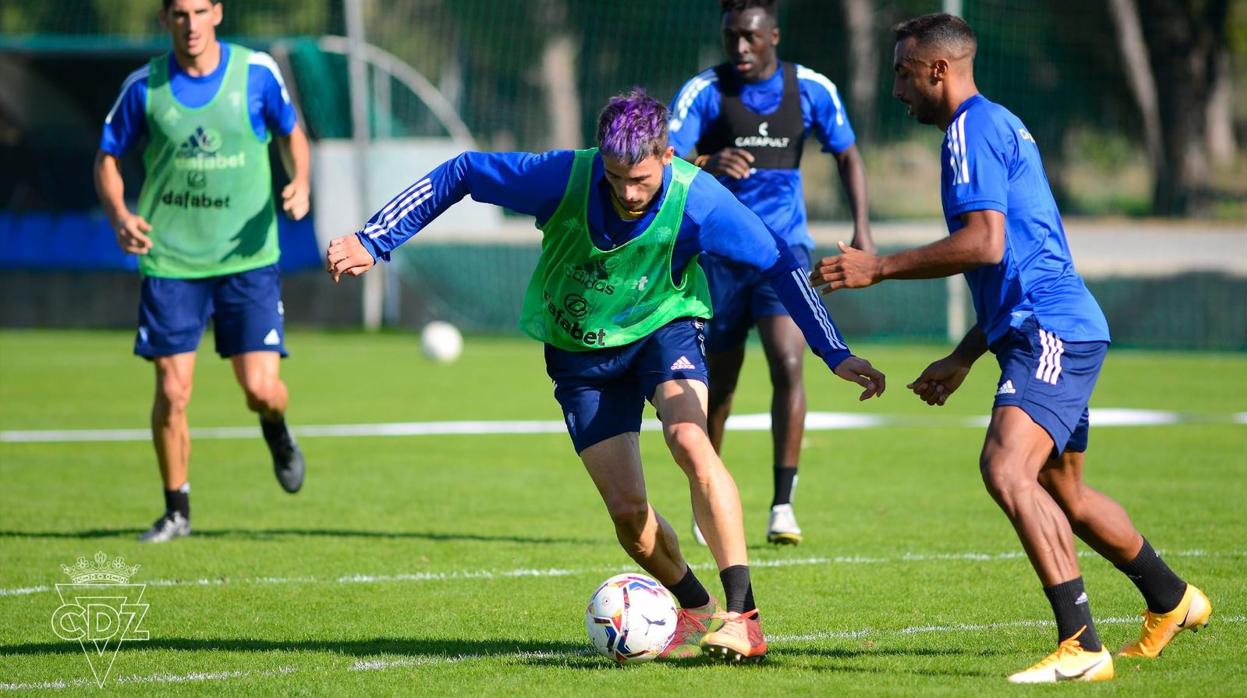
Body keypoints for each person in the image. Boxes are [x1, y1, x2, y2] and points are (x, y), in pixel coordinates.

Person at [326, 89, 885, 663]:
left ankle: (742, 615)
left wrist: (833, 351)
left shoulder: (702, 201)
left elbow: (779, 262)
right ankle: (694, 611)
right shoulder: (564, 176)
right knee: (629, 517)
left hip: (664, 328)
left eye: (641, 178)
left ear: (669, 155)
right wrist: (375, 238)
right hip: (580, 355)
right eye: (616, 177)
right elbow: (463, 171)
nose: (628, 192)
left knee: (690, 439)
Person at [810, 13, 1211, 683]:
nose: (897, 88)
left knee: (1006, 469)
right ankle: (1173, 599)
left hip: (1047, 329)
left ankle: (1081, 644)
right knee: (1065, 490)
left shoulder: (970, 130)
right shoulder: (994, 124)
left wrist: (877, 268)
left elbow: (986, 243)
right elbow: (1015, 252)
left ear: (939, 70)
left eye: (904, 73)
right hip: (1046, 325)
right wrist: (967, 354)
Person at [93, 0, 311, 543]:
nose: (190, 24)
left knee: (261, 389)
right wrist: (121, 216)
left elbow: (292, 133)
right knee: (172, 389)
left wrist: (300, 181)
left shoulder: (256, 72)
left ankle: (277, 430)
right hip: (172, 261)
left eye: (200, 11)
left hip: (248, 259)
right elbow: (107, 159)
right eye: (179, 14)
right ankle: (176, 511)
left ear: (218, 13)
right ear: (165, 19)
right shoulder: (144, 86)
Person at [668, 0, 874, 546]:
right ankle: (705, 496)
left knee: (788, 363)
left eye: (750, 38)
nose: (738, 47)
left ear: (773, 36)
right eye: (731, 37)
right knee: (721, 382)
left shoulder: (811, 89)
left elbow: (848, 155)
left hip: (782, 255)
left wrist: (863, 230)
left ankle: (782, 506)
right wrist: (710, 162)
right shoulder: (703, 91)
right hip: (716, 257)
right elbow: (663, 158)